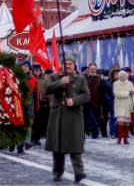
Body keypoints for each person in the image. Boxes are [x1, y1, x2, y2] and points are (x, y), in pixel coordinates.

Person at [45, 54, 90, 183]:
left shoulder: (80, 79)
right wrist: (60, 82)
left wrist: (74, 101)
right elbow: (46, 89)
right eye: (65, 64)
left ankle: (79, 173)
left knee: (75, 146)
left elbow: (86, 96)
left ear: (74, 65)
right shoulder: (55, 76)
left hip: (74, 116)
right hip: (58, 116)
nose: (67, 66)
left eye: (70, 64)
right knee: (58, 147)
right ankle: (58, 172)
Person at [113, 71, 134, 145]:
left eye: (124, 75)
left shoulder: (130, 84)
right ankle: (119, 139)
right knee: (120, 122)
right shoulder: (116, 83)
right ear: (118, 76)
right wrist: (128, 93)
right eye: (121, 75)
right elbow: (117, 94)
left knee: (127, 123)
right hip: (119, 105)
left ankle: (125, 139)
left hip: (128, 105)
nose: (122, 76)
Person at [83, 63, 103, 139]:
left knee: (96, 119)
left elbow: (101, 89)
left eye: (94, 69)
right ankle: (93, 132)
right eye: (91, 69)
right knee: (90, 119)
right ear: (89, 69)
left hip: (97, 102)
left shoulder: (99, 78)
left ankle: (94, 133)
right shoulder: (84, 77)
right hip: (86, 102)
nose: (93, 70)